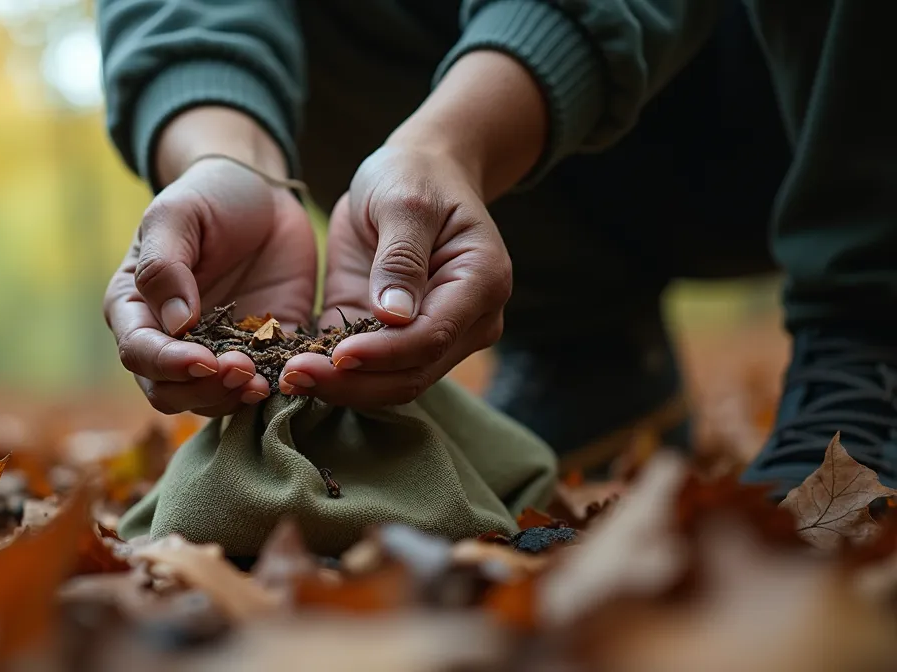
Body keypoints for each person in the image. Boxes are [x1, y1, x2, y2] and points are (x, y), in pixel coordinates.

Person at [96, 0, 897, 499]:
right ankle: (586, 350)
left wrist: (453, 141)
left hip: (811, 97)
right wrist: (227, 156)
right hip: (555, 139)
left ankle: (870, 336)